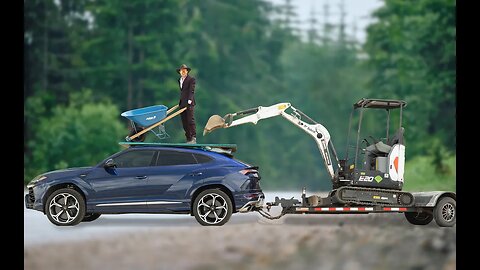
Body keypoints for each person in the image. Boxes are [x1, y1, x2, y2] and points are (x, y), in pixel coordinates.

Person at [176, 64, 197, 143]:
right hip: (182, 103)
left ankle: (193, 137)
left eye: (185, 70)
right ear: (180, 72)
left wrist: (189, 100)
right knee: (184, 121)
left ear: (187, 71)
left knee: (190, 120)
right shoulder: (180, 80)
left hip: (189, 103)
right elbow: (182, 92)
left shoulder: (191, 79)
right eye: (182, 71)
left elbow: (191, 90)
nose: (183, 72)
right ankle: (188, 138)